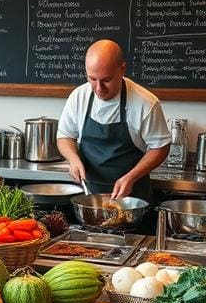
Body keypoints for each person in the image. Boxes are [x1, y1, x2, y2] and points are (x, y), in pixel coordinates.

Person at [57, 39, 170, 202]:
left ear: (122, 69)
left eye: (106, 80)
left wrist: (131, 177)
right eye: (92, 79)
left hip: (132, 198)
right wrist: (73, 160)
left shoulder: (145, 103)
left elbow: (160, 147)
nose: (98, 88)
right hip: (90, 196)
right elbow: (65, 136)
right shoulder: (79, 97)